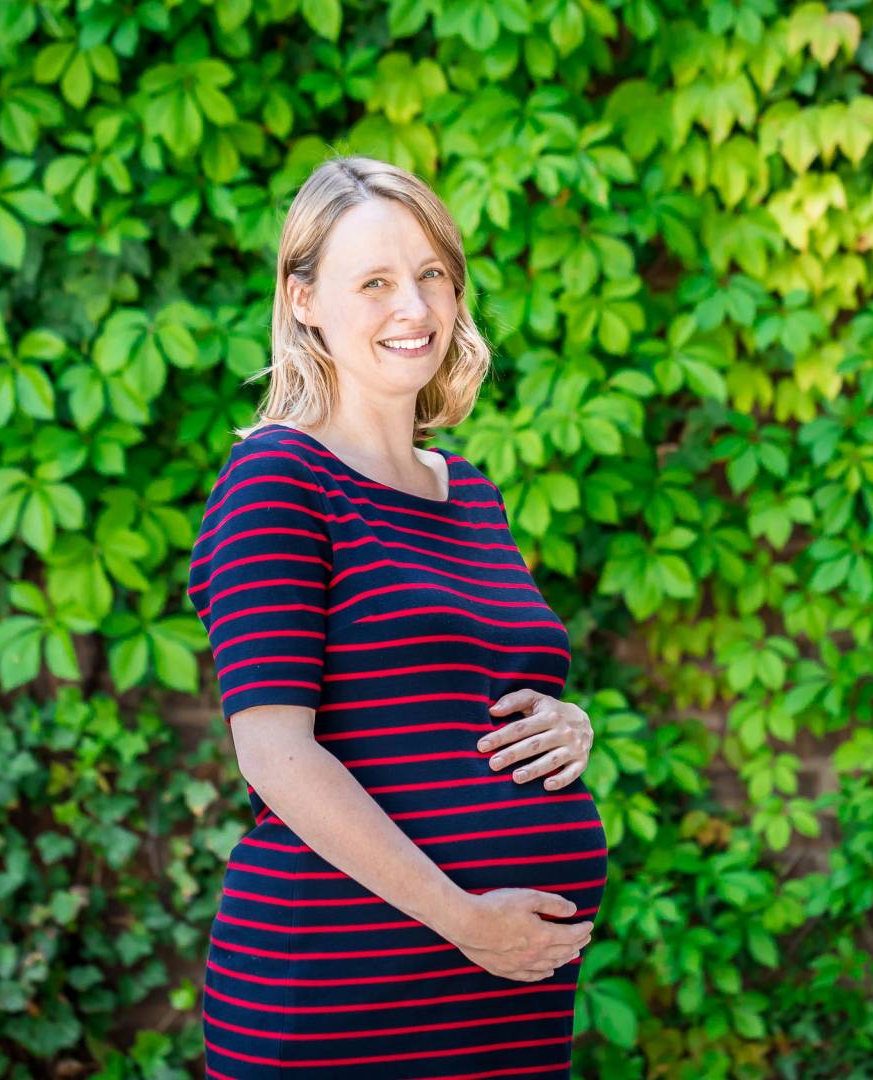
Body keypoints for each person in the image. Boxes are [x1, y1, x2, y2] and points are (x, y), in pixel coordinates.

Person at [187, 155, 607, 1079]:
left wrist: (568, 722)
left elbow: (464, 693)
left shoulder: (471, 494)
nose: (414, 307)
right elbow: (275, 754)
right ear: (303, 299)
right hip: (346, 990)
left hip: (507, 991)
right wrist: (465, 920)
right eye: (373, 282)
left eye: (431, 275)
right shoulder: (277, 481)